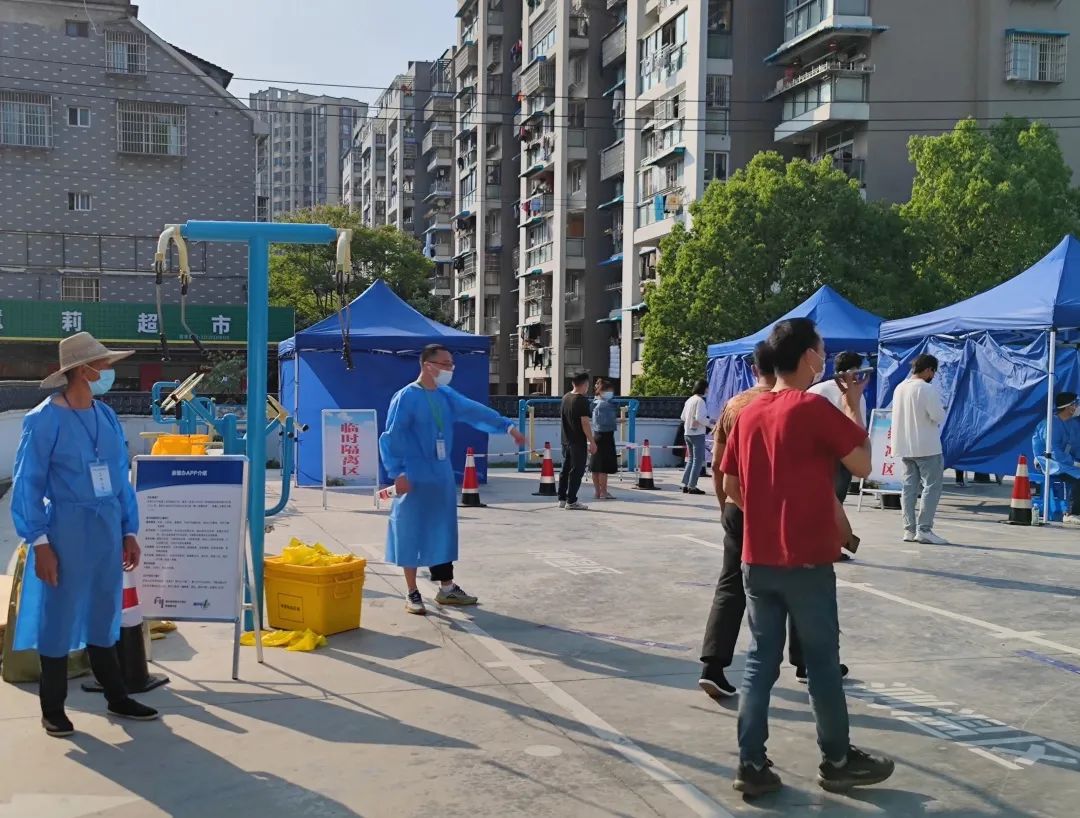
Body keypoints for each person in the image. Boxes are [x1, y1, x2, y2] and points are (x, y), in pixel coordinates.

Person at [721, 318, 893, 796]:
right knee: (821, 664)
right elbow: (863, 463)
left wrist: (770, 509)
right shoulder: (813, 408)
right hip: (807, 561)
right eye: (821, 349)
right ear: (809, 357)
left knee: (759, 663)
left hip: (758, 560)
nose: (825, 356)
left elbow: (731, 486)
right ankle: (836, 759)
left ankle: (750, 764)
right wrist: (853, 403)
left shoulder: (749, 413)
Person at [12, 332, 159, 738]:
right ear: (82, 370)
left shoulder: (105, 415)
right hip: (66, 528)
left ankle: (117, 696)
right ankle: (53, 708)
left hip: (106, 528)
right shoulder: (43, 420)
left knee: (104, 611)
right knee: (59, 615)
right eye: (103, 364)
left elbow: (119, 479)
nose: (109, 370)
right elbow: (27, 485)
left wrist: (129, 529)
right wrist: (40, 543)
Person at [381, 344, 526, 615]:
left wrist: (507, 426)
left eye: (451, 364)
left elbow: (475, 411)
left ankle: (446, 588)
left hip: (441, 473)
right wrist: (397, 472)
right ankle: (412, 591)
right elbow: (392, 435)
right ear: (428, 365)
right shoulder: (406, 397)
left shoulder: (446, 396)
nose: (450, 368)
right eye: (445, 364)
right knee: (410, 529)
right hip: (413, 473)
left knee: (442, 530)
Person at [808, 350, 868, 563]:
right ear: (855, 369)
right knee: (835, 503)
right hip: (842, 456)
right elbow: (859, 428)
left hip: (815, 456)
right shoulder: (855, 393)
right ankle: (829, 547)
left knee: (817, 502)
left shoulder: (816, 390)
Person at [891, 354, 948, 545]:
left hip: (904, 445)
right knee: (932, 486)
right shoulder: (926, 388)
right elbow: (938, 415)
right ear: (929, 370)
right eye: (933, 372)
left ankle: (908, 529)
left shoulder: (900, 387)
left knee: (908, 488)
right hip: (927, 446)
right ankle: (924, 529)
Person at [1031, 391, 1080, 526]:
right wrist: (1074, 463)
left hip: (1067, 461)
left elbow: (1077, 445)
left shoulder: (1073, 424)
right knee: (1078, 477)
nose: (1077, 407)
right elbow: (1053, 451)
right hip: (1049, 462)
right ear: (1068, 407)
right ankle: (1070, 513)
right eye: (1076, 404)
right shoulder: (1050, 424)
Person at [559, 371, 597, 511]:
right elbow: (585, 423)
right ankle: (572, 501)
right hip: (577, 442)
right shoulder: (581, 400)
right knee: (577, 471)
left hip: (566, 440)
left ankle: (562, 498)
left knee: (565, 470)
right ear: (585, 384)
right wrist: (592, 441)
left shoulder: (565, 397)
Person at [590, 377, 619, 500]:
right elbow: (607, 422)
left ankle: (597, 492)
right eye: (610, 391)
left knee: (595, 467)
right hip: (605, 436)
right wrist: (618, 421)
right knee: (603, 467)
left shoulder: (595, 402)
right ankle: (604, 492)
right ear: (603, 391)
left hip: (596, 435)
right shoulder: (605, 405)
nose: (611, 394)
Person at [680, 379, 710, 495]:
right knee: (698, 461)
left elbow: (683, 417)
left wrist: (691, 419)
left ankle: (685, 484)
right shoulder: (700, 401)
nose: (708, 390)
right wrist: (711, 424)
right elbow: (700, 418)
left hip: (687, 433)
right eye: (707, 387)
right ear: (704, 388)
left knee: (691, 459)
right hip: (697, 434)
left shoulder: (689, 400)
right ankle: (692, 486)